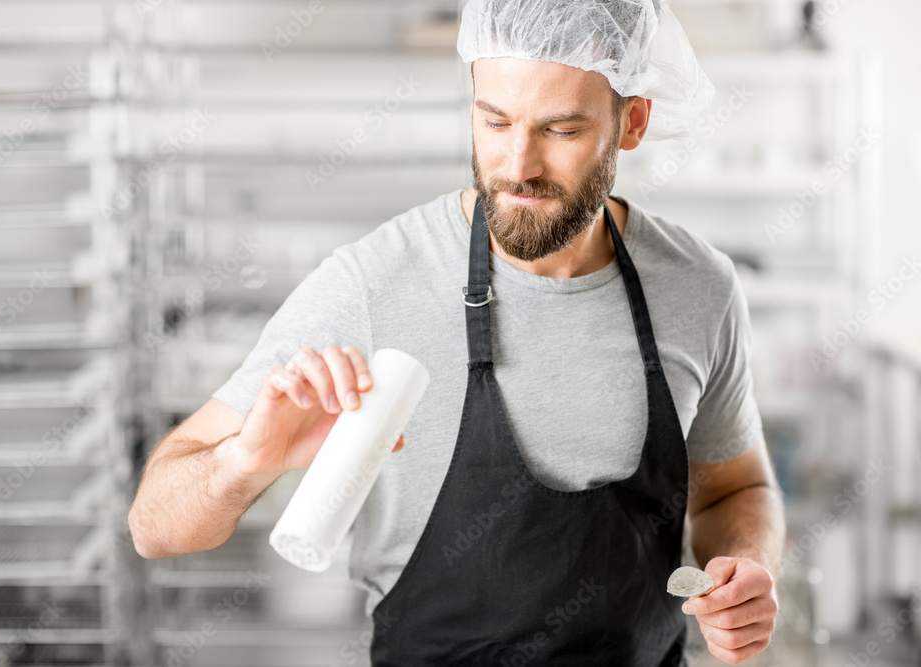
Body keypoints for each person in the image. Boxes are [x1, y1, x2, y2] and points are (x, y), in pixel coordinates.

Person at [129, 0, 785, 664]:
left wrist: (746, 566)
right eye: (495, 120)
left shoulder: (699, 286)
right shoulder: (376, 280)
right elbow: (153, 525)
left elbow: (736, 487)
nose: (518, 164)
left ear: (633, 121)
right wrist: (246, 459)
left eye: (560, 129)